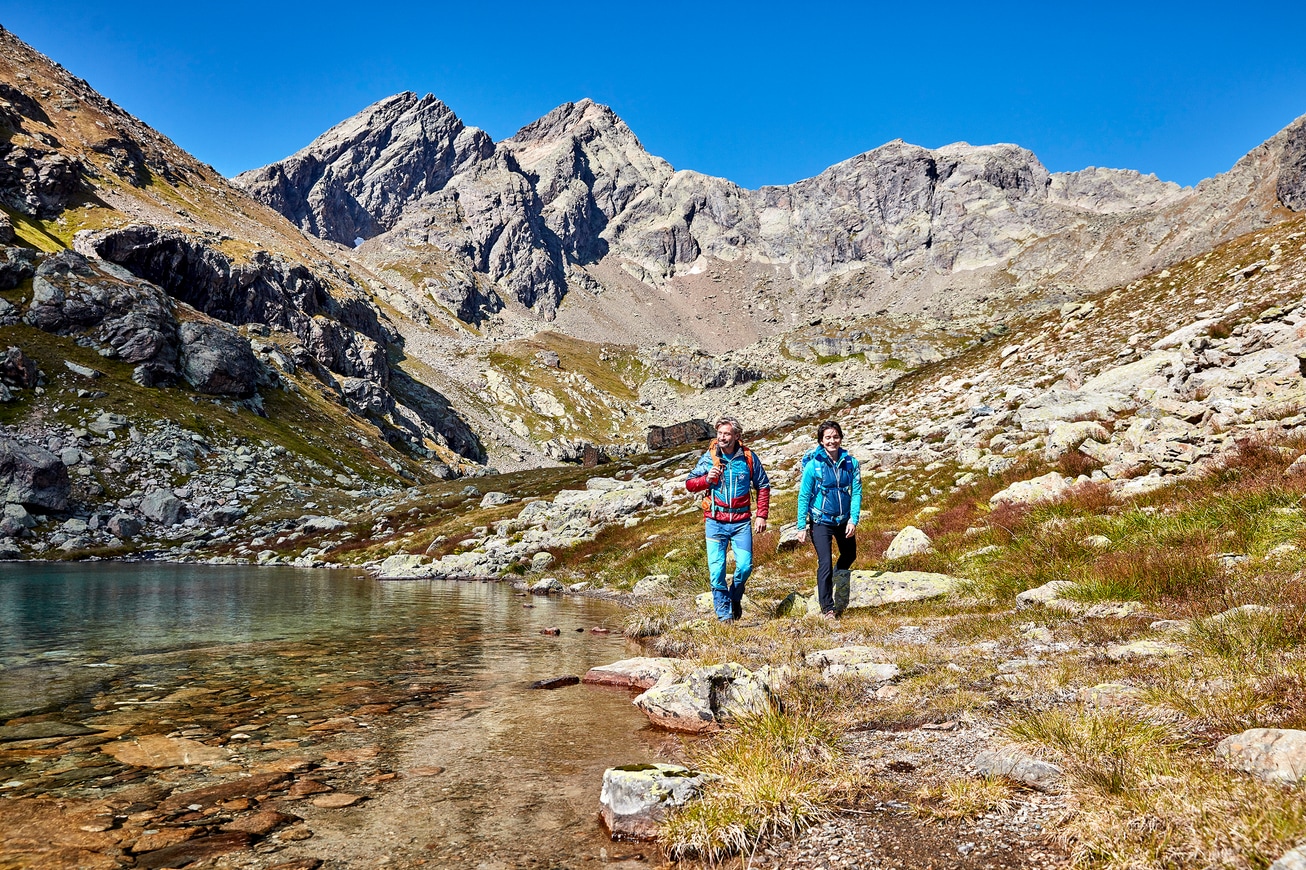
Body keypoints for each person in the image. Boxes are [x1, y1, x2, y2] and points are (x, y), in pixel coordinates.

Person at [685, 416, 771, 622]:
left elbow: (763, 485)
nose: (722, 438)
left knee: (745, 567)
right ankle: (724, 616)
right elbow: (689, 483)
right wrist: (707, 480)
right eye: (719, 433)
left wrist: (761, 515)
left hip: (741, 523)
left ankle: (735, 597)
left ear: (737, 436)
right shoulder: (709, 458)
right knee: (717, 571)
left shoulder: (748, 458)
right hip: (715, 522)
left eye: (726, 434)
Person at [796, 420, 862, 619]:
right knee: (824, 562)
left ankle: (837, 577)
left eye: (835, 436)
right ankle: (828, 608)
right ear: (821, 441)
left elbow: (857, 492)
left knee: (850, 555)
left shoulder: (851, 463)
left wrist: (853, 519)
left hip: (843, 520)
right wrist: (801, 526)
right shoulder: (813, 466)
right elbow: (804, 496)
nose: (832, 441)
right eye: (828, 437)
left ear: (840, 438)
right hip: (821, 520)